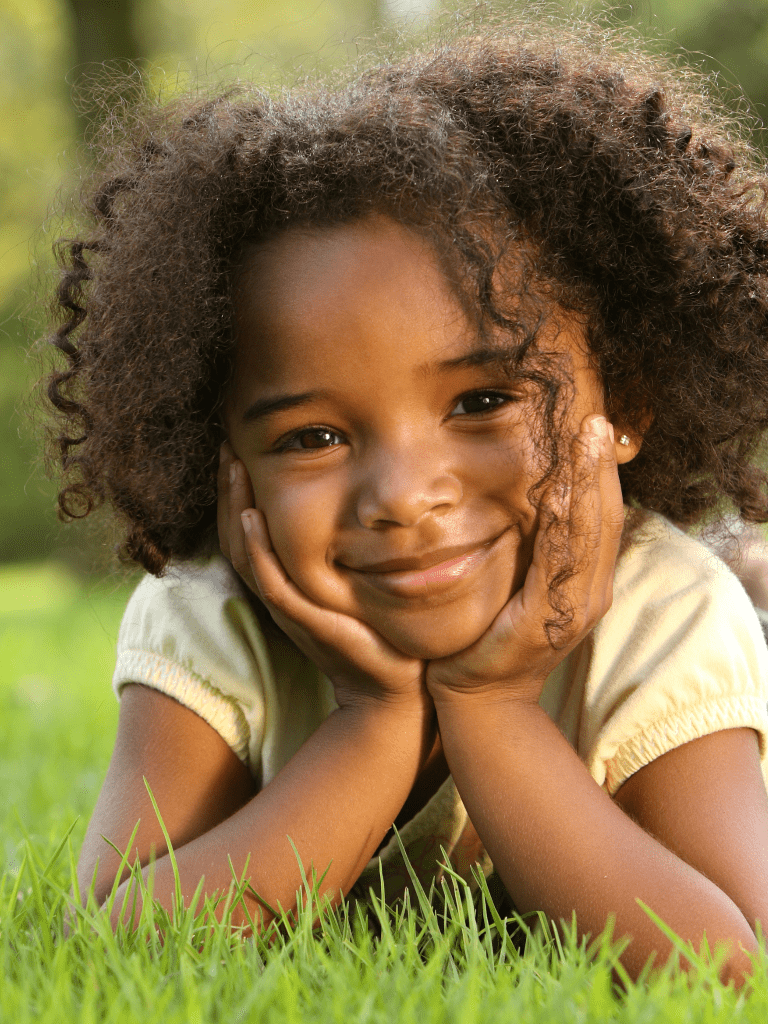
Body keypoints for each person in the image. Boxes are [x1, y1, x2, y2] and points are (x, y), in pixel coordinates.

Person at [44, 19, 768, 984]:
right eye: (313, 438)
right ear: (224, 460)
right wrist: (373, 720)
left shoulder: (659, 613)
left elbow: (729, 965)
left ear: (625, 401)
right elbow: (109, 949)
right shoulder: (209, 617)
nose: (405, 497)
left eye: (483, 402)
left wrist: (495, 708)